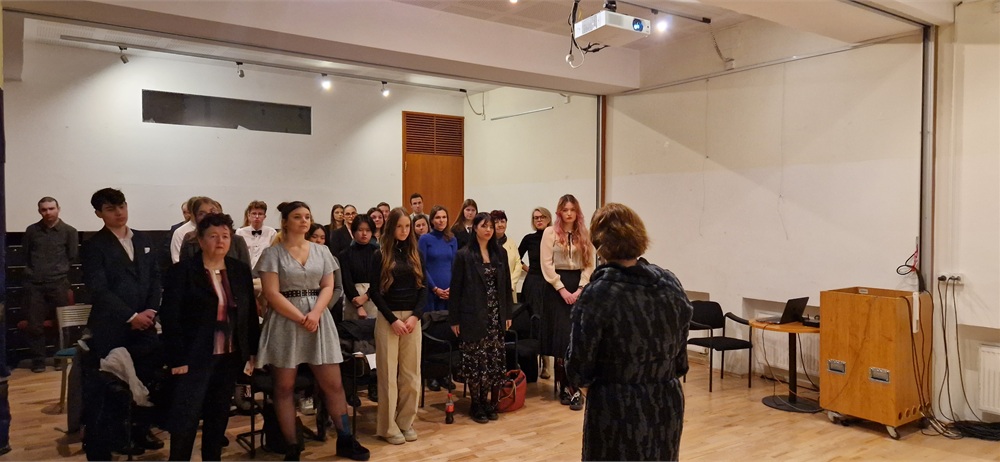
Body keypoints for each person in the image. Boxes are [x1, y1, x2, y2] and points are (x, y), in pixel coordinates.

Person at [566, 203, 692, 461]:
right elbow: (680, 357)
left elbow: (578, 366)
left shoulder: (599, 293)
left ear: (600, 245)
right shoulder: (669, 283)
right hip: (665, 401)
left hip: (616, 406)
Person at [255, 201, 369, 461]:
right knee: (284, 387)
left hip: (318, 320)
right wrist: (300, 317)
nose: (304, 220)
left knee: (334, 384)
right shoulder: (272, 254)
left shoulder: (322, 250)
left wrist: (316, 313)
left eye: (307, 216)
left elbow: (329, 285)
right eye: (298, 216)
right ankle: (292, 446)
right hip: (285, 322)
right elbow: (271, 293)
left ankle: (345, 439)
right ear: (285, 222)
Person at [160, 213, 261, 461]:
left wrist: (252, 350)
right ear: (201, 240)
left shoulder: (239, 270)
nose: (220, 241)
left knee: (218, 415)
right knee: (186, 418)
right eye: (213, 236)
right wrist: (177, 359)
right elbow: (170, 317)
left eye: (225, 236)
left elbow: (248, 313)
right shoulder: (182, 271)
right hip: (193, 357)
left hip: (229, 355)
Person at [80, 188, 164, 459]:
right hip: (112, 326)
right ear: (99, 214)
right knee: (117, 383)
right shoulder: (94, 245)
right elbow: (99, 289)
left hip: (146, 324)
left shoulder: (143, 239)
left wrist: (150, 310)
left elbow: (155, 278)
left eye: (122, 206)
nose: (119, 213)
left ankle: (142, 429)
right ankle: (118, 435)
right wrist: (131, 316)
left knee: (147, 376)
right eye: (110, 209)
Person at [448, 213, 513, 424]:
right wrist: (454, 319)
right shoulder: (464, 255)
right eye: (484, 226)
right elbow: (456, 289)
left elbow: (506, 286)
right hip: (472, 315)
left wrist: (507, 314)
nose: (488, 230)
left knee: (492, 361)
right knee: (476, 362)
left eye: (491, 227)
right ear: (475, 228)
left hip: (495, 316)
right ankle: (476, 403)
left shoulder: (500, 252)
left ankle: (489, 402)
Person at [369, 208, 425, 445]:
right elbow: (374, 291)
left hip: (412, 320)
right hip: (388, 320)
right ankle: (388, 427)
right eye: (399, 226)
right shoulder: (379, 254)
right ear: (391, 227)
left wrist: (415, 317)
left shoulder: (415, 253)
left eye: (407, 227)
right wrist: (392, 319)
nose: (404, 231)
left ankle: (405, 422)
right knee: (388, 376)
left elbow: (423, 288)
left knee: (411, 375)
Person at [540, 194, 594, 411]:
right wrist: (561, 289)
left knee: (577, 340)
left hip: (579, 286)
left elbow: (589, 264)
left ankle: (576, 388)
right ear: (559, 212)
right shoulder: (550, 233)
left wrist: (580, 288)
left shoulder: (584, 233)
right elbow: (546, 264)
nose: (569, 213)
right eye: (565, 210)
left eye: (572, 210)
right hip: (557, 289)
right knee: (562, 341)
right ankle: (564, 387)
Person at [23, 197, 78, 372]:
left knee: (62, 325)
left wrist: (58, 270)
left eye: (51, 208)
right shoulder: (31, 231)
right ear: (39, 211)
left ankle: (59, 359)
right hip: (35, 285)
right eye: (44, 209)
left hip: (59, 283)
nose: (48, 212)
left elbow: (72, 255)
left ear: (58, 209)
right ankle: (38, 361)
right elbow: (25, 254)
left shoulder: (69, 231)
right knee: (34, 325)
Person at [518, 206, 552, 378]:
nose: (538, 220)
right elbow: (516, 257)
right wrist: (528, 269)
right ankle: (530, 364)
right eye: (535, 218)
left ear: (548, 219)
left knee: (546, 321)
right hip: (532, 282)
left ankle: (546, 363)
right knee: (532, 320)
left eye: (542, 217)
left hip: (549, 283)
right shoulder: (529, 239)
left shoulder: (554, 237)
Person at [180, 198, 251, 267]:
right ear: (195, 217)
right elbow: (183, 268)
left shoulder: (237, 240)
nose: (208, 215)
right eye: (202, 213)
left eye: (212, 211)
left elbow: (245, 270)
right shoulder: (189, 239)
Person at [417, 206, 457, 314]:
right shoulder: (425, 239)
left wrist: (451, 287)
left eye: (444, 217)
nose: (441, 220)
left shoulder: (452, 239)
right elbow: (421, 266)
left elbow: (455, 266)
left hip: (449, 292)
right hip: (430, 291)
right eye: (438, 217)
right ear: (431, 220)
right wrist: (434, 288)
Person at [340, 215, 379, 322]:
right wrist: (358, 306)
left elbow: (380, 279)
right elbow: (347, 281)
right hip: (353, 299)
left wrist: (366, 296)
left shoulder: (378, 253)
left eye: (368, 230)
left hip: (374, 297)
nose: (364, 233)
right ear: (353, 232)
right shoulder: (345, 254)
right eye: (360, 230)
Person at [490, 210, 522, 304]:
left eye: (502, 221)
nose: (500, 225)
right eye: (496, 222)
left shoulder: (511, 243)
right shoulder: (486, 244)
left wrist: (511, 283)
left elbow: (518, 264)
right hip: (491, 290)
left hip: (509, 289)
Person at [236, 200, 277, 269]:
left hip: (264, 271)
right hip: (245, 270)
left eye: (260, 214)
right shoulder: (240, 232)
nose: (257, 216)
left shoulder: (272, 233)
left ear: (264, 217)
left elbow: (274, 256)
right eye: (254, 213)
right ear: (249, 215)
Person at [171, 196, 206, 263]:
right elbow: (177, 259)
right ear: (191, 212)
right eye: (201, 212)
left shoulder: (211, 229)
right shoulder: (180, 232)